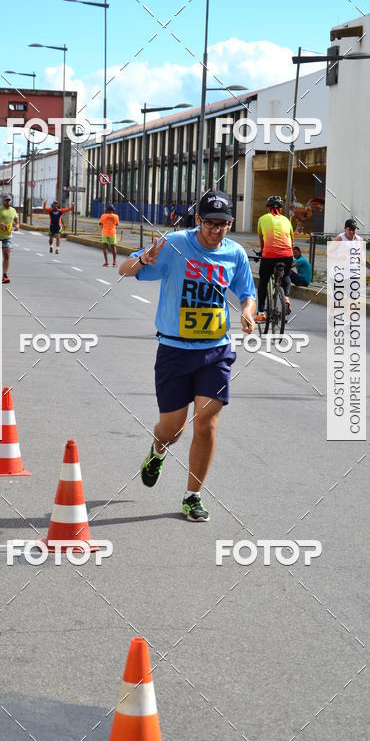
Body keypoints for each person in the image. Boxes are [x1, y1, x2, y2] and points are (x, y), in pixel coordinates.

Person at [118, 190, 256, 522]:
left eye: (223, 224)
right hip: (174, 351)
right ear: (198, 220)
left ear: (230, 224)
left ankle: (192, 495)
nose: (216, 230)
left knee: (206, 425)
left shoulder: (235, 254)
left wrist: (247, 313)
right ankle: (158, 449)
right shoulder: (175, 244)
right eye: (210, 223)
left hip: (215, 351)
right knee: (172, 429)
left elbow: (247, 293)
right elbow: (124, 270)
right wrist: (142, 260)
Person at [255, 195, 294, 320]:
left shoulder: (262, 219)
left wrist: (262, 252)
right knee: (286, 275)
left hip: (269, 255)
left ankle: (261, 313)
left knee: (263, 282)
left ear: (268, 208)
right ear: (281, 210)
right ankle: (286, 297)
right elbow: (292, 241)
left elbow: (262, 241)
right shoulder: (287, 221)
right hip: (287, 255)